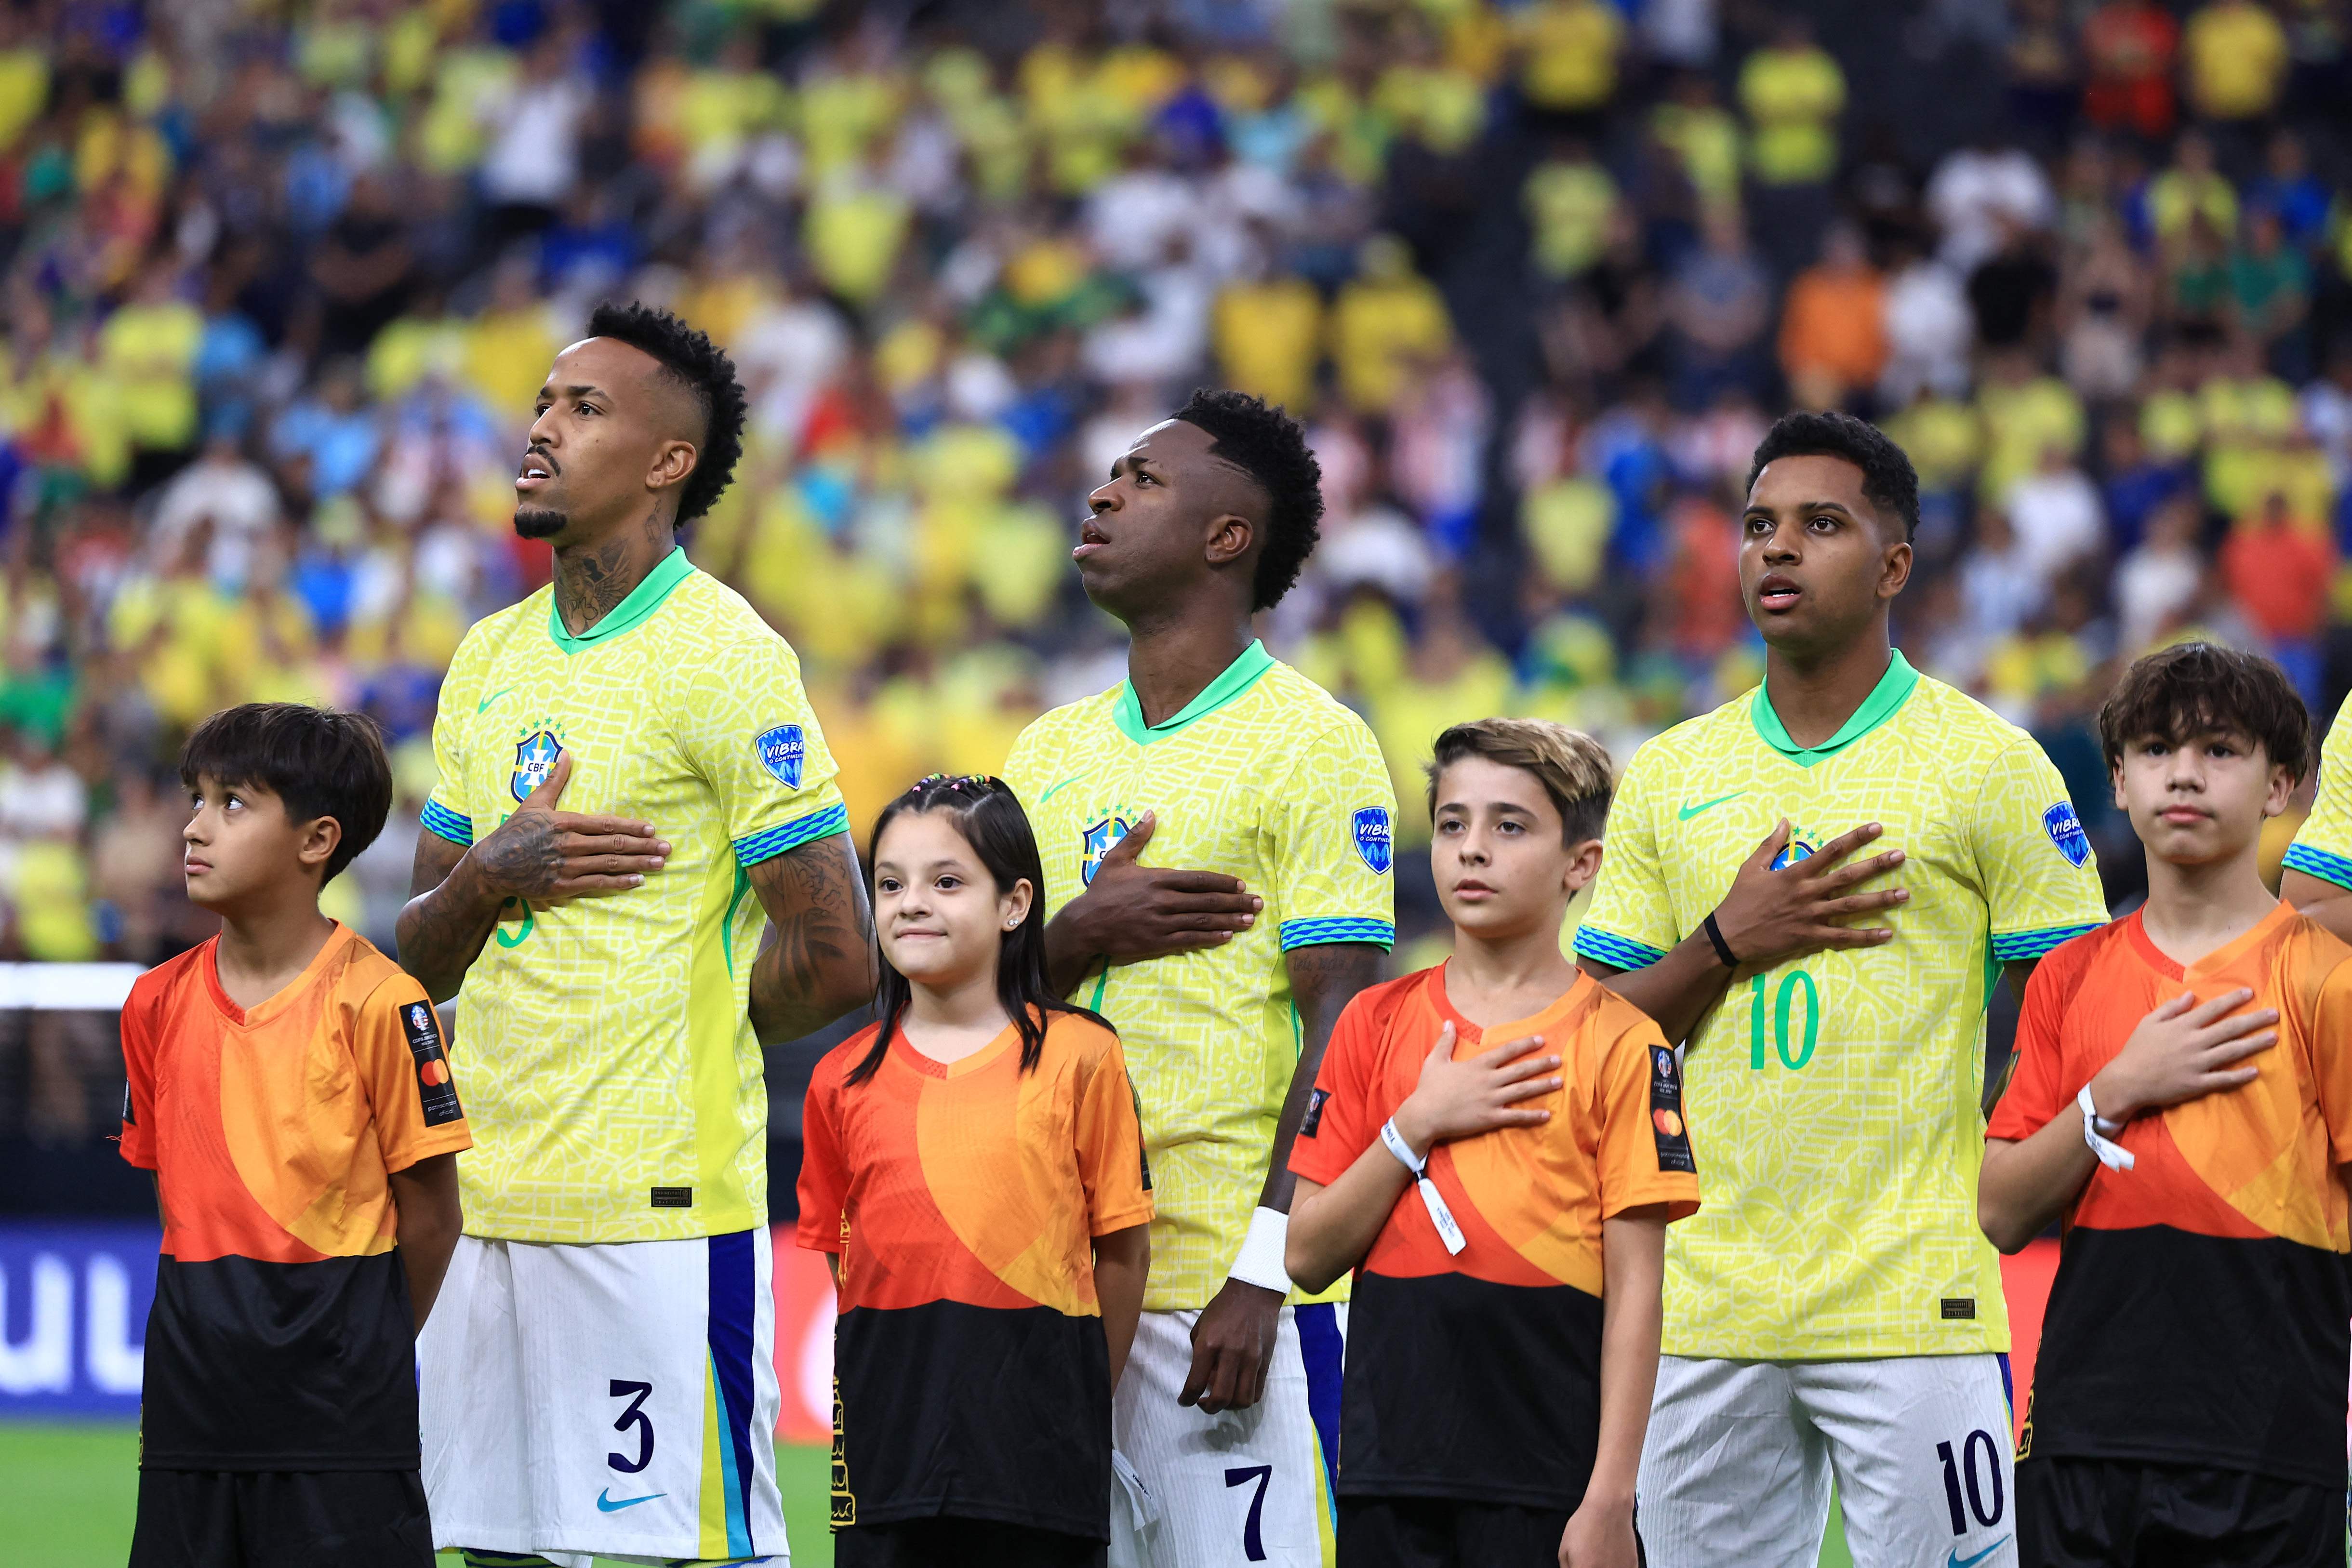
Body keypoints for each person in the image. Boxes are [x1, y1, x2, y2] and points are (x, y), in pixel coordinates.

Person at [1575, 411, 2111, 1568]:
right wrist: (1725, 939)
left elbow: (2074, 1005)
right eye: (1759, 524)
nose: (1776, 548)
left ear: (1891, 565)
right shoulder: (1672, 771)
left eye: (1820, 525)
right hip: (1702, 1297)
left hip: (1914, 1293)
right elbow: (1592, 1037)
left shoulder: (1988, 761)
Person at [398, 303, 876, 1568]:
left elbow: (838, 951)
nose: (542, 428)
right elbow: (418, 956)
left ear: (670, 461)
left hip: (655, 1212)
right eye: (547, 402)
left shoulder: (726, 656)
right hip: (479, 1198)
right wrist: (492, 875)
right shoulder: (490, 656)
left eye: (585, 409)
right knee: (491, 1550)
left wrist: (687, 1013)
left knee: (691, 1553)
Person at [998, 388, 1391, 1567]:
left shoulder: (1313, 741)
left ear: (1229, 538)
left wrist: (1264, 1270)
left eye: (1143, 478)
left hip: (1222, 1290)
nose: (1102, 492)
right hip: (1053, 1280)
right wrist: (1068, 938)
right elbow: (973, 1010)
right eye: (1109, 470)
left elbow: (1351, 1024)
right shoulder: (1045, 749)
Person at [1285, 718, 1702, 1568]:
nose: (1471, 849)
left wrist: (1610, 1499)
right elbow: (1305, 1253)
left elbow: (1636, 1294)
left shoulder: (1622, 1041)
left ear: (1579, 866)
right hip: (1388, 1475)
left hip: (1547, 1485)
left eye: (1509, 826)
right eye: (1451, 823)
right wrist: (1417, 1124)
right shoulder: (1374, 1020)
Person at [1978, 642, 2346, 1567]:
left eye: (2218, 750)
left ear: (2281, 787)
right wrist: (2116, 1088)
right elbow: (2000, 1209)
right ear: (2117, 780)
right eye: (2154, 749)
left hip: (2270, 1451)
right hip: (2078, 1441)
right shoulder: (2066, 976)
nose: (2182, 772)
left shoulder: (2329, 981)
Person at [122, 703, 469, 1568]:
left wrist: (358, 1350)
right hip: (188, 1422)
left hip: (345, 1434)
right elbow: (177, 1198)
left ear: (318, 840)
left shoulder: (384, 1002)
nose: (196, 826)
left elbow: (432, 1219)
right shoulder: (154, 1003)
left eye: (233, 803)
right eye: (195, 798)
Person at [798, 774, 1154, 1568]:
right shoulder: (838, 1078)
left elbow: (1123, 1255)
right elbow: (842, 1257)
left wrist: (1072, 1404)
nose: (910, 903)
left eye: (946, 881)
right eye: (889, 883)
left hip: (1041, 1459)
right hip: (887, 1454)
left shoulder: (1083, 1055)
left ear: (1015, 903)